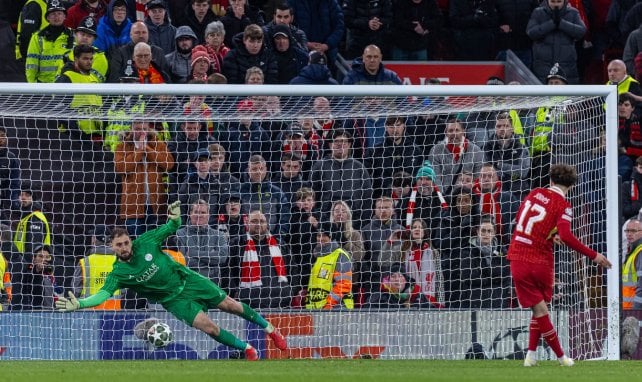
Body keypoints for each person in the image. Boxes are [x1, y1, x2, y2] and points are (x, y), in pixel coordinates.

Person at [55, 201, 288, 361]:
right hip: (174, 301)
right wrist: (82, 303)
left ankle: (270, 329)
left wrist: (175, 219)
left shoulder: (145, 241)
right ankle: (248, 349)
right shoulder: (118, 273)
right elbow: (103, 295)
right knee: (209, 327)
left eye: (126, 242)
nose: (125, 247)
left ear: (130, 240)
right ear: (111, 247)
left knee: (231, 305)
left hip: (189, 280)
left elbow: (171, 227)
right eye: (119, 245)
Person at [508, 163, 611, 367]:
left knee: (539, 309)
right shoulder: (564, 206)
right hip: (540, 261)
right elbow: (567, 236)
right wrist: (594, 255)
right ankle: (562, 358)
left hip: (518, 256)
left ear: (551, 180)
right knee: (542, 310)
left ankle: (530, 356)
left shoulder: (535, 192)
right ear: (571, 186)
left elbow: (521, 218)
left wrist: (550, 233)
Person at [228, 209, 293, 309]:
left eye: (262, 221)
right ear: (247, 223)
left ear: (267, 224)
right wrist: (235, 291)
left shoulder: (280, 245)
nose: (258, 224)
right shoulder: (237, 244)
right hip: (249, 305)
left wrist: (290, 291)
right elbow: (227, 271)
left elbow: (293, 269)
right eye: (254, 221)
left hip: (281, 303)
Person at [176, 199, 229, 287]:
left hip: (212, 284)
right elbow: (182, 261)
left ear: (208, 215)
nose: (199, 215)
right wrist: (210, 259)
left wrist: (192, 253)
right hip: (187, 284)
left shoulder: (219, 235)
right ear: (190, 214)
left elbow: (222, 258)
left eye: (203, 212)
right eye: (196, 212)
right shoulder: (179, 234)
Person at [306, 221, 354, 310]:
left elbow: (344, 284)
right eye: (318, 235)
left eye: (324, 235)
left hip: (338, 308)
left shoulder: (340, 255)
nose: (320, 238)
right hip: (318, 309)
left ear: (331, 237)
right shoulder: (317, 256)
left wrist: (329, 305)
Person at [72, 224, 121, 310]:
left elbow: (76, 289)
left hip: (89, 314)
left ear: (94, 239)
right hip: (113, 315)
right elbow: (125, 289)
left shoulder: (85, 262)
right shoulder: (120, 262)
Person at [25, 0, 74, 83]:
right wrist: (31, 86)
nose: (56, 17)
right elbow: (31, 63)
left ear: (64, 16)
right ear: (47, 17)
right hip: (43, 85)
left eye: (59, 13)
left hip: (66, 84)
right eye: (53, 14)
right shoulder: (37, 37)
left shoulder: (73, 35)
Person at [11, 244, 56, 310]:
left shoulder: (50, 276)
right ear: (34, 259)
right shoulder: (27, 272)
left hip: (49, 313)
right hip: (31, 313)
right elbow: (32, 280)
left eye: (47, 257)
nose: (44, 259)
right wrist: (37, 270)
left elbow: (57, 294)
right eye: (40, 256)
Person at [13, 185, 51, 258]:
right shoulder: (25, 217)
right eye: (21, 195)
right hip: (21, 261)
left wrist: (29, 265)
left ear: (32, 198)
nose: (23, 197)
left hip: (28, 263)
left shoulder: (36, 217)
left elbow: (34, 246)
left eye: (27, 195)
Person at [622, 218, 642, 310]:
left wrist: (636, 311)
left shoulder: (639, 252)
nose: (629, 234)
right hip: (627, 310)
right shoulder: (631, 252)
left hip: (634, 312)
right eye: (627, 231)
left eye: (633, 231)